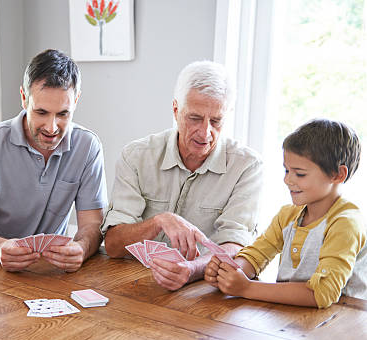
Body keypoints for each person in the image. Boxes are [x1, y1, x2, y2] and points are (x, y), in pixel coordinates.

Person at [101, 60, 263, 290]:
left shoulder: (247, 166)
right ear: (176, 110)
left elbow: (234, 245)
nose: (205, 132)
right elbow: (113, 245)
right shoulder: (136, 156)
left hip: (203, 289)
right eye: (195, 118)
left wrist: (192, 269)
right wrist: (159, 221)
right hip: (132, 284)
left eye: (216, 121)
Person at [0, 49, 107, 272]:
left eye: (63, 114)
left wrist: (81, 248)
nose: (52, 128)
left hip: (46, 272)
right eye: (41, 112)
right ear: (24, 98)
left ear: (77, 100)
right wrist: (0, 247)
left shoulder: (88, 147)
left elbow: (92, 224)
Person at [205, 119, 366, 308]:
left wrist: (246, 288)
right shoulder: (289, 215)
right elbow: (256, 255)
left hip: (338, 323)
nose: (287, 179)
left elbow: (322, 293)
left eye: (300, 174)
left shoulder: (345, 224)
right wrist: (231, 272)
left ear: (337, 175)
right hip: (291, 319)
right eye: (287, 170)